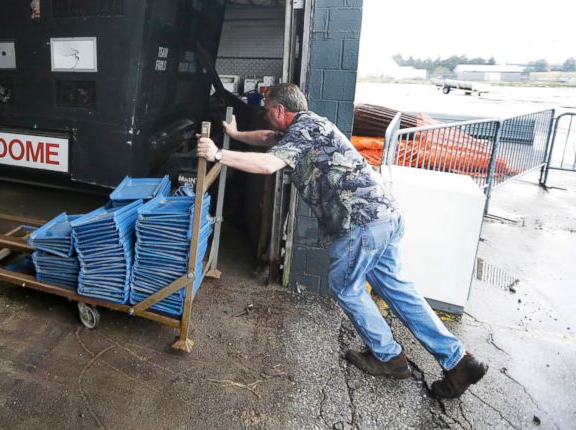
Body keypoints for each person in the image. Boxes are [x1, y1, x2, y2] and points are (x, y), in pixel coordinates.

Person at [196, 83, 486, 399]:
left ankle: (388, 356)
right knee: (399, 291)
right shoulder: (310, 125)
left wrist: (219, 153)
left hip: (359, 224)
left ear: (281, 110)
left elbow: (268, 164)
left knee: (345, 287)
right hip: (384, 216)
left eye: (267, 111)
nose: (266, 117)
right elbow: (269, 139)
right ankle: (458, 361)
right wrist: (236, 136)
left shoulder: (303, 132)